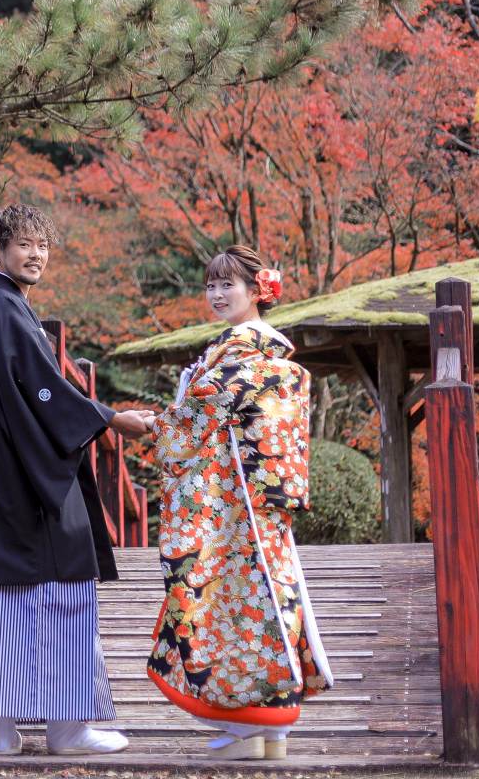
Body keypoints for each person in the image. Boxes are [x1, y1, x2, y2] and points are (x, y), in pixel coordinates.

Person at [0, 203, 155, 757]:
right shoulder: (6, 310)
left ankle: (2, 731)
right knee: (61, 592)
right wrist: (111, 418)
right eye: (23, 245)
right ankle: (67, 729)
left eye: (42, 245)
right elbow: (44, 390)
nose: (35, 255)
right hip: (25, 483)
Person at [146, 245, 334, 761]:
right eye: (210, 285)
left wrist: (150, 425)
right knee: (266, 598)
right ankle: (271, 729)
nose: (217, 294)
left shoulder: (242, 356)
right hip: (257, 502)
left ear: (258, 290)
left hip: (231, 508)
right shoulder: (264, 356)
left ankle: (246, 724)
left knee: (232, 603)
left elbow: (191, 425)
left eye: (228, 284)